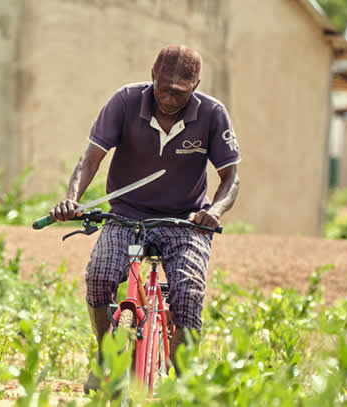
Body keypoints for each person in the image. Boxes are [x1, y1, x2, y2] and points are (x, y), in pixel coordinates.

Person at [49, 45, 241, 393]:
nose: (168, 98)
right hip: (125, 215)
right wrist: (72, 199)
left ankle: (182, 379)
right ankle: (107, 354)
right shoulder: (124, 102)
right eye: (162, 87)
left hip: (185, 221)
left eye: (179, 92)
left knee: (187, 293)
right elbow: (90, 159)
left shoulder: (213, 114)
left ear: (196, 85)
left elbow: (232, 178)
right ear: (152, 76)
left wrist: (213, 211)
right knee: (99, 276)